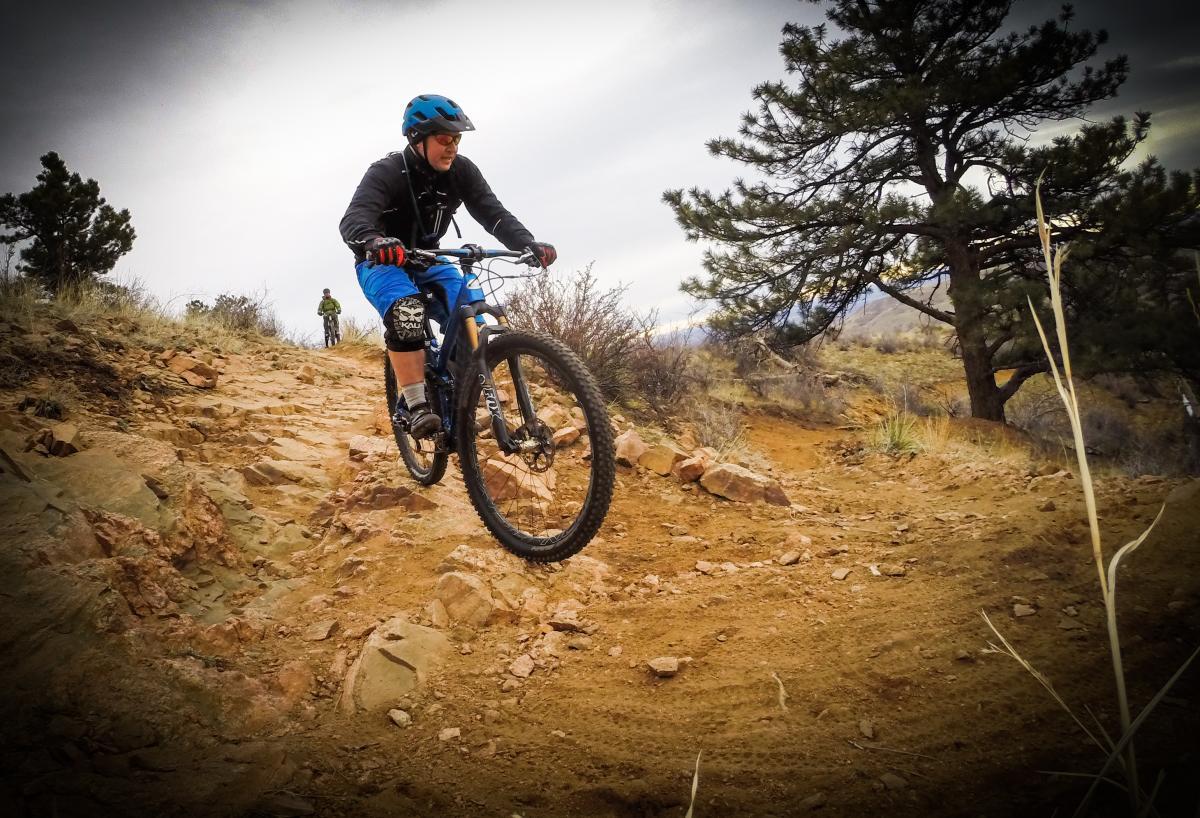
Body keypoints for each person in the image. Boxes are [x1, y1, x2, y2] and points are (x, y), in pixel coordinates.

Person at [338, 93, 556, 438]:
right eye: (443, 138)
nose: (452, 146)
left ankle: (455, 392)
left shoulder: (462, 171)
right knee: (408, 314)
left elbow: (492, 212)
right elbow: (354, 219)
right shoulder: (388, 172)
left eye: (456, 139)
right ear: (417, 139)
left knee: (472, 324)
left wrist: (527, 243)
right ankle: (416, 403)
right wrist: (374, 241)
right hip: (381, 262)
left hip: (429, 258)